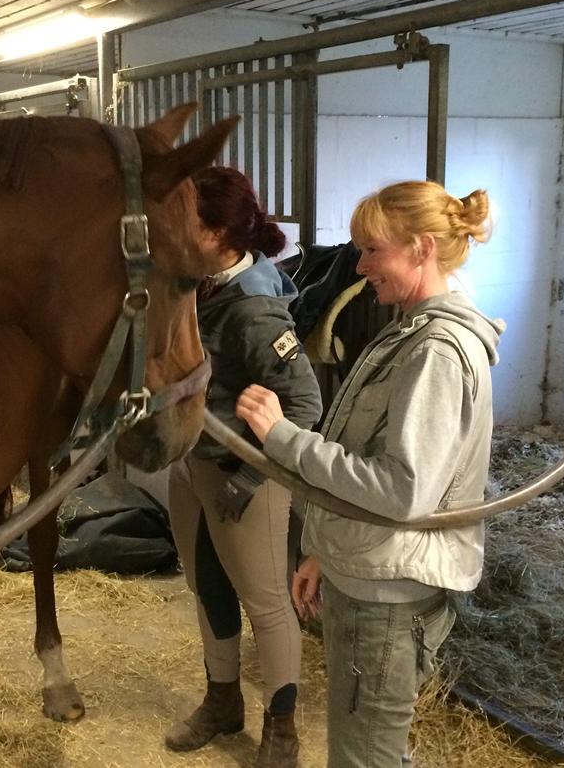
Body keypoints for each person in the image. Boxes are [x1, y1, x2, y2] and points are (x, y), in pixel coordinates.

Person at [235, 180, 504, 768]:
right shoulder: (409, 329)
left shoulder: (435, 350)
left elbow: (400, 489)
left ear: (422, 248)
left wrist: (283, 438)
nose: (359, 265)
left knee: (364, 758)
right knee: (370, 749)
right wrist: (324, 551)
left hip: (391, 595)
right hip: (372, 571)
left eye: (372, 250)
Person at [166, 165, 323, 768]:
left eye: (189, 226)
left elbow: (305, 403)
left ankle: (281, 734)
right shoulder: (202, 283)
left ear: (219, 233)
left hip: (241, 473)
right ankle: (222, 701)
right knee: (207, 586)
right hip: (196, 462)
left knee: (267, 603)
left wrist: (255, 474)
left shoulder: (255, 309)